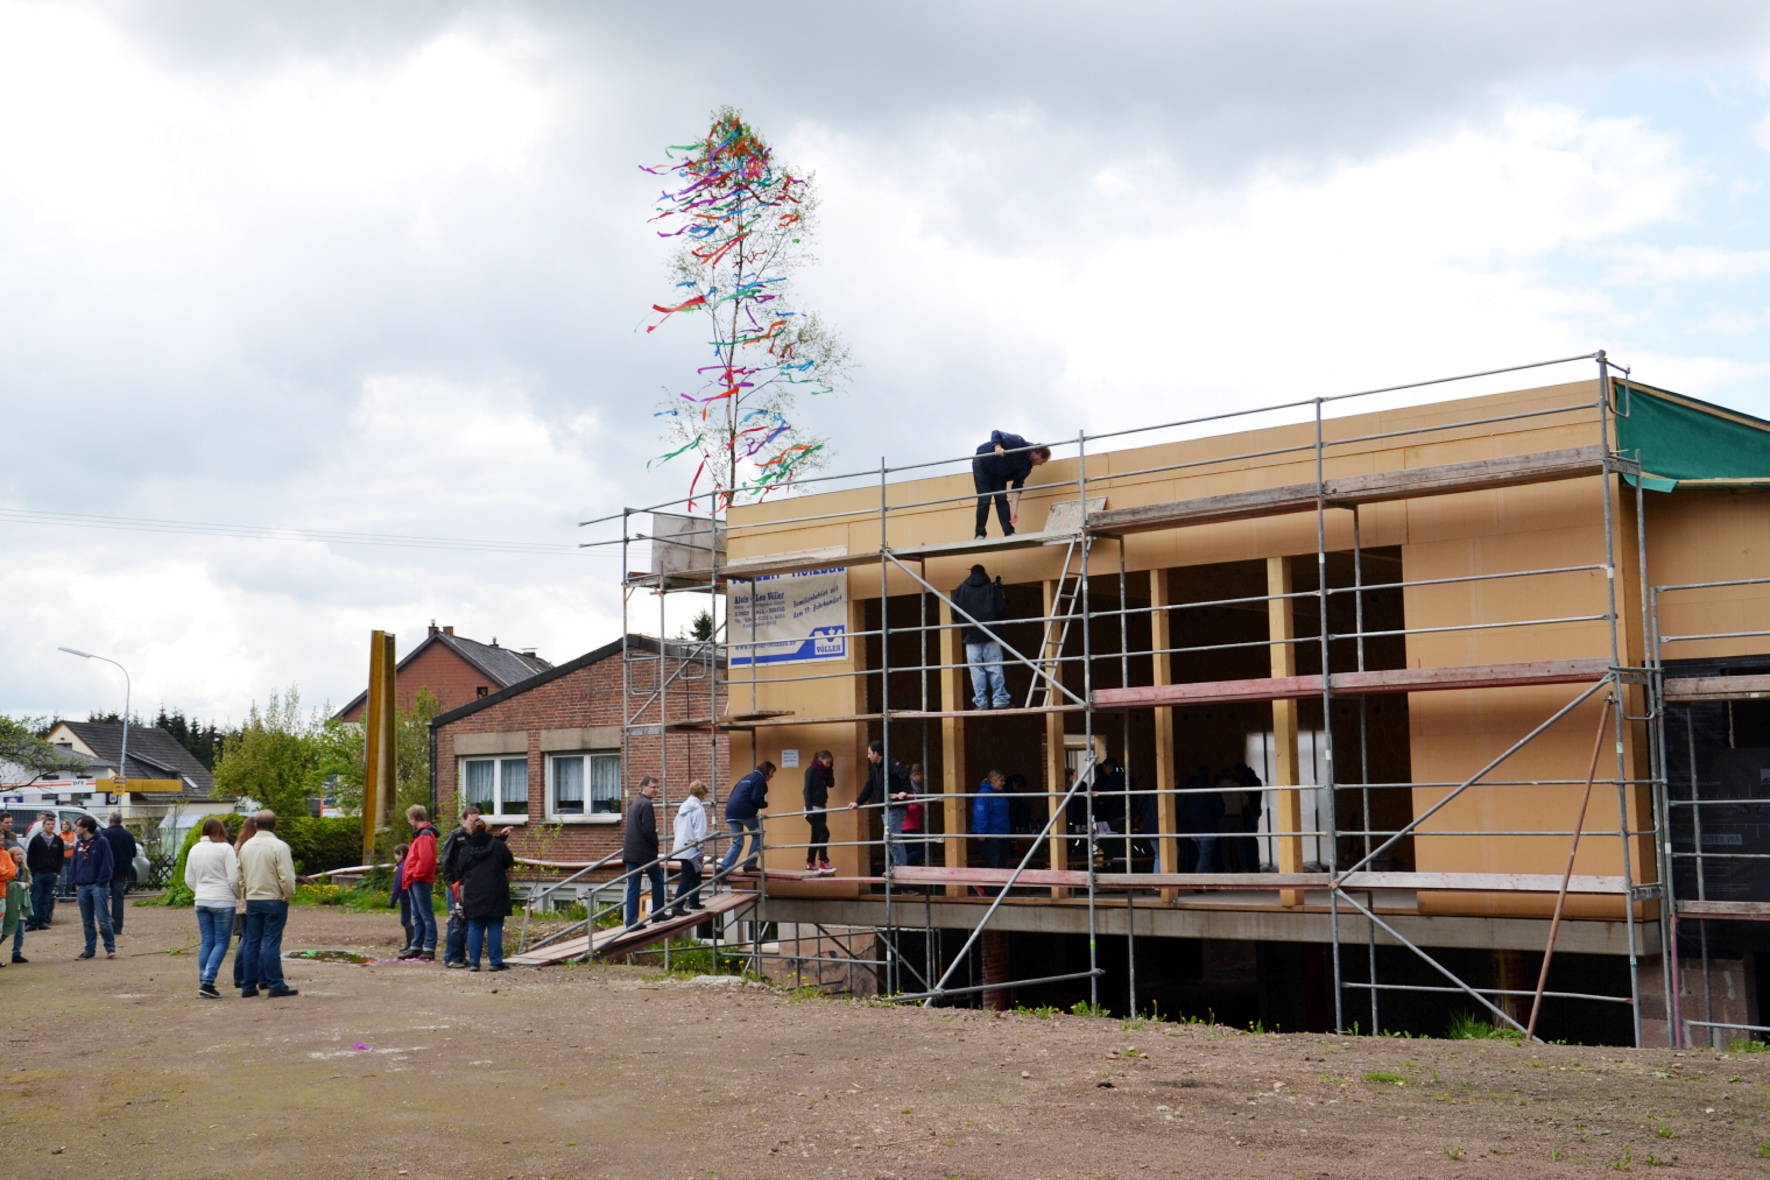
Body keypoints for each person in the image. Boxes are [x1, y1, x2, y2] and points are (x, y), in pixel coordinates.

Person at [237, 810, 298, 997]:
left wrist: (245, 894)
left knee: (251, 942)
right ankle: (275, 984)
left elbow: (240, 875)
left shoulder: (246, 847)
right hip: (274, 899)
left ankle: (248, 985)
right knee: (271, 942)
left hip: (253, 899)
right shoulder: (280, 847)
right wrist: (288, 895)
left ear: (255, 826)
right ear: (275, 825)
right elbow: (286, 876)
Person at [183, 817, 239, 998]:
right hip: (223, 900)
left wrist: (200, 891)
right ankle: (208, 981)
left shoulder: (195, 849)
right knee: (222, 941)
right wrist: (237, 894)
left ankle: (203, 978)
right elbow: (233, 878)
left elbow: (189, 879)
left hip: (202, 899)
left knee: (207, 941)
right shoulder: (225, 848)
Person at [952, 564, 1012, 709]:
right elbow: (1002, 611)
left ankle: (981, 702)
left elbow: (954, 614)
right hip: (991, 635)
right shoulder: (992, 588)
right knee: (994, 668)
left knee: (976, 671)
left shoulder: (960, 590)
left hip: (971, 637)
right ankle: (999, 700)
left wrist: (966, 626)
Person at [971, 429, 1051, 538]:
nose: (1041, 464)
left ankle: (1009, 532)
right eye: (1043, 461)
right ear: (1039, 455)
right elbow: (996, 433)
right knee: (985, 499)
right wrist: (997, 447)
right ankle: (980, 534)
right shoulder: (1018, 442)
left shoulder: (1026, 468)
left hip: (999, 474)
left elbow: (1017, 487)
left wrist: (1014, 510)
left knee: (1001, 499)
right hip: (982, 464)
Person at [458, 818, 515, 971]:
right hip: (495, 891)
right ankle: (495, 962)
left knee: (475, 926)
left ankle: (474, 962)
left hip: (473, 892)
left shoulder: (466, 848)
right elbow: (508, 861)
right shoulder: (497, 845)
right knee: (495, 926)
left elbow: (460, 868)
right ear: (486, 829)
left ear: (471, 830)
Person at [850, 741, 915, 868]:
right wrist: (858, 802)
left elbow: (904, 772)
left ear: (876, 753)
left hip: (894, 807)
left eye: (869, 753)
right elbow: (870, 786)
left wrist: (905, 791)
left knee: (891, 838)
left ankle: (900, 866)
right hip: (885, 809)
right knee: (891, 839)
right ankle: (899, 865)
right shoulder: (876, 768)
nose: (868, 756)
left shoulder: (891, 764)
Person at [438, 806, 480, 969]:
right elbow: (445, 859)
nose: (473, 824)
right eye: (471, 820)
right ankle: (452, 956)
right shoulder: (455, 836)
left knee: (467, 920)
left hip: (471, 884)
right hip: (457, 883)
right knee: (456, 921)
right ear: (463, 820)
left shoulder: (477, 837)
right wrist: (450, 882)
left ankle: (461, 956)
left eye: (476, 821)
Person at [622, 777, 666, 928]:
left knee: (633, 886)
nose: (656, 790)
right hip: (644, 852)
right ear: (643, 787)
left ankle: (631, 921)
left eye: (657, 787)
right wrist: (656, 843)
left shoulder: (634, 804)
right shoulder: (646, 804)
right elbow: (648, 829)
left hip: (631, 851)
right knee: (658, 879)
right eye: (653, 787)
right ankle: (658, 912)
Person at [69, 815, 115, 959]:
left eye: (78, 826)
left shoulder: (102, 842)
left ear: (86, 827)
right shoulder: (79, 844)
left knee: (103, 918)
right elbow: (74, 864)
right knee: (87, 920)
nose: (75, 828)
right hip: (82, 886)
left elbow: (107, 863)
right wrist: (75, 882)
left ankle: (110, 946)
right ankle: (89, 949)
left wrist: (101, 882)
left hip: (97, 885)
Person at [398, 804, 440, 960]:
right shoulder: (421, 835)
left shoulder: (425, 835)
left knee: (425, 914)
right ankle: (416, 945)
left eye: (409, 819)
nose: (409, 822)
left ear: (414, 819)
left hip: (419, 879)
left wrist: (416, 874)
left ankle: (429, 946)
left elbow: (426, 859)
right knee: (417, 914)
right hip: (415, 878)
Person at [719, 762, 775, 876]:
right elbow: (756, 799)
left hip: (730, 812)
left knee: (737, 843)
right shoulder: (759, 780)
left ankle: (723, 868)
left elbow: (733, 794)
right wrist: (764, 804)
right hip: (745, 811)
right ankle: (750, 864)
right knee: (758, 834)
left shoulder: (745, 778)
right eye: (772, 773)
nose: (772, 776)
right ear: (768, 771)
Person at [666, 781, 710, 917]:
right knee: (687, 875)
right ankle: (678, 905)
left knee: (696, 872)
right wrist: (701, 849)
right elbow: (700, 830)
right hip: (692, 847)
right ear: (702, 793)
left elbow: (675, 826)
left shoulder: (683, 808)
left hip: (681, 845)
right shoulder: (698, 809)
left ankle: (694, 901)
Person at [1178, 765, 1226, 874]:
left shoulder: (1189, 791)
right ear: (1209, 775)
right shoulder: (1212, 790)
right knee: (1205, 856)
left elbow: (1183, 810)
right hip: (1208, 827)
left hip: (1193, 828)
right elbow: (1220, 809)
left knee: (1203, 855)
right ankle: (1198, 881)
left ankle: (1207, 882)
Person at [229, 815, 256, 991]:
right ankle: (255, 974)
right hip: (256, 894)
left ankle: (238, 975)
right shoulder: (255, 847)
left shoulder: (236, 847)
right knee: (254, 937)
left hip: (241, 896)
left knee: (243, 937)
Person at [100, 811, 137, 936]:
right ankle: (117, 926)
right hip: (121, 871)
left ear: (110, 821)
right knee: (118, 900)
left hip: (105, 871)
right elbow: (133, 853)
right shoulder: (128, 835)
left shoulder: (104, 834)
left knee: (102, 899)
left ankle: (105, 924)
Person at [25, 813, 61, 930]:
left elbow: (61, 857)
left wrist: (56, 871)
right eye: (48, 824)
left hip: (51, 874)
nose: (50, 826)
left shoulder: (58, 841)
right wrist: (34, 871)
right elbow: (31, 857)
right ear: (43, 825)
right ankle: (32, 921)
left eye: (52, 824)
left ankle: (43, 921)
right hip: (39, 873)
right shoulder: (36, 840)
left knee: (47, 898)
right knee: (36, 898)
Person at [802, 750, 835, 875]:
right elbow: (806, 790)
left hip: (822, 807)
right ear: (820, 760)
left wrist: (830, 770)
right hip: (813, 807)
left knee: (815, 837)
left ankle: (810, 862)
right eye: (827, 762)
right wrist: (809, 808)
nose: (828, 765)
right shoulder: (811, 770)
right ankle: (823, 861)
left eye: (830, 763)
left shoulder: (824, 772)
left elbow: (831, 784)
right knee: (824, 833)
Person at [971, 769, 1012, 868]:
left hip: (1001, 832)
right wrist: (982, 832)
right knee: (993, 863)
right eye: (1001, 781)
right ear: (993, 781)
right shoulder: (985, 795)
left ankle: (1002, 883)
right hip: (991, 834)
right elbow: (981, 814)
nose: (1003, 783)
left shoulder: (1000, 793)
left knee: (1003, 862)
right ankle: (993, 884)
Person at [2, 845, 27, 965]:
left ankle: (17, 953)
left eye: (21, 854)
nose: (20, 856)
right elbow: (8, 884)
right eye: (17, 854)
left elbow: (29, 881)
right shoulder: (9, 869)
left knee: (21, 930)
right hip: (10, 902)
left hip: (21, 902)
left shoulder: (24, 870)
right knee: (6, 929)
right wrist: (21, 885)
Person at [389, 843, 413, 956]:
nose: (395, 857)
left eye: (396, 855)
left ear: (401, 854)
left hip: (405, 896)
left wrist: (392, 902)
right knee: (408, 920)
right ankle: (411, 943)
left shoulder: (401, 868)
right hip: (409, 895)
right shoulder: (406, 864)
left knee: (405, 920)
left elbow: (397, 885)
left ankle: (411, 944)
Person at [902, 763, 927, 866]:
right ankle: (899, 865)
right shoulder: (909, 789)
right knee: (923, 850)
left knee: (910, 852)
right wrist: (918, 806)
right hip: (908, 826)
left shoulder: (915, 789)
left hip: (910, 825)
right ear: (915, 775)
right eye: (921, 776)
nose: (923, 779)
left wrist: (922, 807)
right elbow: (904, 805)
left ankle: (903, 868)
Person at [58, 819, 76, 898]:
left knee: (70, 877)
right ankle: (61, 894)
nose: (65, 826)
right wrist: (70, 845)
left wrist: (66, 845)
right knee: (63, 877)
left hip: (71, 858)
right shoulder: (59, 835)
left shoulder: (73, 834)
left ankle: (68, 894)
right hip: (62, 858)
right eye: (63, 824)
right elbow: (60, 845)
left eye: (67, 824)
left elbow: (76, 844)